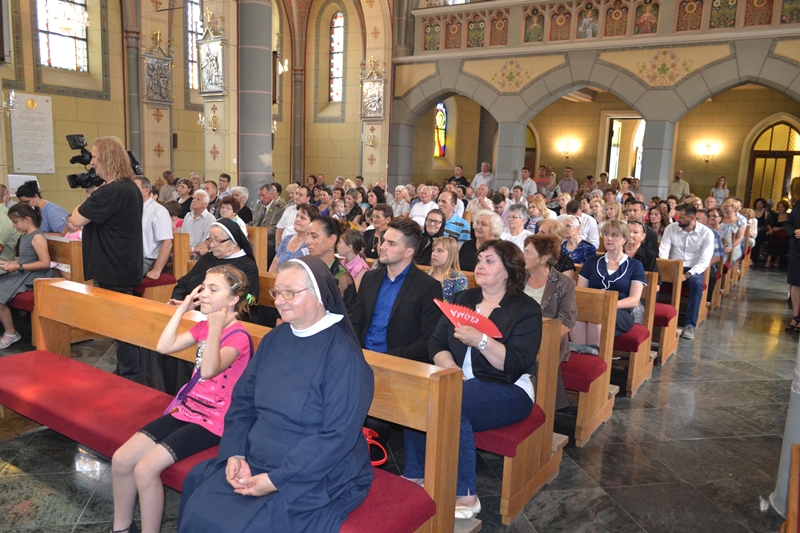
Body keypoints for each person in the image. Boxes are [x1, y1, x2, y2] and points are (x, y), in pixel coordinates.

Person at [178, 256, 374, 533]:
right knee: (199, 494)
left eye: (290, 293)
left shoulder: (343, 356)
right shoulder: (275, 339)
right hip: (256, 454)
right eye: (277, 292)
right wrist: (235, 453)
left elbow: (338, 435)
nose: (279, 301)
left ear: (319, 296)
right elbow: (243, 403)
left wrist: (277, 480)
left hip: (315, 469)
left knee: (242, 524)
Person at [404, 240, 540, 519]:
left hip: (508, 387)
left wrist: (481, 340)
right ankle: (416, 473)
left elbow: (516, 363)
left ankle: (466, 493)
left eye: (490, 261)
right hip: (459, 378)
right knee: (419, 394)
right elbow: (436, 342)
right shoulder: (463, 299)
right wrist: (452, 370)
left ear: (508, 271)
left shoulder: (525, 308)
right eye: (479, 259)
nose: (480, 265)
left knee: (456, 403)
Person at [111, 266, 253, 533]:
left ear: (233, 299)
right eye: (203, 287)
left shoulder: (238, 337)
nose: (204, 293)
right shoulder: (204, 326)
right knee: (121, 459)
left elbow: (209, 370)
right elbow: (164, 346)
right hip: (188, 409)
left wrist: (215, 328)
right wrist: (183, 309)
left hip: (215, 421)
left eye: (213, 289)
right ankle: (121, 529)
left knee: (145, 469)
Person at [69, 136, 143, 379]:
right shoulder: (128, 186)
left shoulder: (112, 191)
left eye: (95, 157)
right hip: (121, 263)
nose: (91, 162)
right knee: (121, 324)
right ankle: (127, 370)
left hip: (113, 265)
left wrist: (90, 197)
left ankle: (130, 374)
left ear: (108, 159)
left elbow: (76, 219)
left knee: (123, 326)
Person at [352, 216, 442, 364]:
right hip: (362, 357)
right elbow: (356, 322)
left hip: (400, 363)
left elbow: (427, 338)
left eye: (391, 243)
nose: (382, 247)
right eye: (384, 241)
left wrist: (387, 359)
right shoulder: (369, 279)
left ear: (408, 252)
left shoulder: (428, 287)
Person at [523, 233, 577, 410]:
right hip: (519, 334)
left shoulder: (564, 283)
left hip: (550, 339)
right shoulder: (518, 278)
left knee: (532, 355)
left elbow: (566, 322)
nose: (524, 256)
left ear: (544, 258)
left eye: (528, 252)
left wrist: (539, 339)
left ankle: (535, 406)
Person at [0, 204, 55, 349]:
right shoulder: (25, 235)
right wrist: (9, 263)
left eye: (15, 222)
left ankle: (11, 333)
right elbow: (24, 259)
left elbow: (45, 263)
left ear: (27, 219)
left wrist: (18, 267)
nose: (14, 225)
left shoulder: (37, 237)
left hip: (35, 276)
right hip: (25, 272)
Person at [172, 219, 261, 307]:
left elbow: (248, 300)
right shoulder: (208, 257)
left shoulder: (248, 267)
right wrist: (177, 301)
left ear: (234, 242)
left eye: (217, 241)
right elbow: (184, 283)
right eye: (210, 240)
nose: (212, 245)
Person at [579, 220, 646, 336]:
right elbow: (581, 291)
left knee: (596, 316)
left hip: (619, 311)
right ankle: (583, 348)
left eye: (614, 235)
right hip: (592, 307)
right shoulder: (592, 261)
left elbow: (634, 300)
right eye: (606, 234)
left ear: (624, 239)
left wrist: (607, 305)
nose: (609, 238)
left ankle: (594, 347)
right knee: (576, 317)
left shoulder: (635, 265)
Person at [658, 204, 715, 340]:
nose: (678, 220)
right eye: (677, 216)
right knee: (656, 280)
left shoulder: (706, 233)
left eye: (682, 218)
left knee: (696, 284)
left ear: (692, 218)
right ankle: (655, 317)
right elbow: (664, 249)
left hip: (694, 268)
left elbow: (704, 261)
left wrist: (686, 275)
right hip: (673, 264)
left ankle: (690, 324)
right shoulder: (671, 228)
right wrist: (666, 267)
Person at [305, 217, 356, 314]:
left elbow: (342, 317)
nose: (307, 241)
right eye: (307, 236)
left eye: (314, 237)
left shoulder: (341, 278)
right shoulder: (305, 268)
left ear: (331, 240)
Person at [134, 177, 173, 281]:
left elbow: (167, 242)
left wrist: (157, 269)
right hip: (130, 257)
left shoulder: (158, 211)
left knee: (121, 276)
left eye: (134, 188)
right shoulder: (132, 208)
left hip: (148, 260)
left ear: (146, 191)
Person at [268, 203, 320, 272]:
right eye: (297, 216)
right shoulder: (287, 239)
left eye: (303, 218)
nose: (297, 219)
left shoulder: (311, 243)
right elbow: (274, 266)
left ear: (312, 223)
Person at [250, 184, 286, 266]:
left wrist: (260, 233)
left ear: (271, 194)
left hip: (269, 242)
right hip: (256, 240)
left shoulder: (279, 208)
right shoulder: (259, 206)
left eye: (263, 196)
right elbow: (254, 222)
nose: (261, 198)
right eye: (259, 196)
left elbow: (277, 228)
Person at [428, 236, 468, 303]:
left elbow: (461, 304)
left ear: (451, 255)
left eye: (440, 251)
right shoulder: (426, 275)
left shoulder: (458, 278)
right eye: (433, 250)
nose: (434, 254)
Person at [784, 178, 800, 331]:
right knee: (795, 283)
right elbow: (788, 223)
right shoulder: (797, 205)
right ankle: (796, 316)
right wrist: (794, 231)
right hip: (797, 247)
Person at [182, 191, 216, 255]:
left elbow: (207, 241)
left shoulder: (210, 219)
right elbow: (182, 235)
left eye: (198, 199)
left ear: (205, 205)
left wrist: (193, 249)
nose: (194, 201)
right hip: (184, 252)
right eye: (194, 198)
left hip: (199, 255)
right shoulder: (188, 215)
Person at [766, 200, 790, 268]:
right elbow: (769, 224)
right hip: (774, 232)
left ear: (785, 208)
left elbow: (789, 226)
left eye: (782, 207)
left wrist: (780, 228)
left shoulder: (789, 216)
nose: (780, 209)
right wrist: (770, 228)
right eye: (779, 207)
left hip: (784, 233)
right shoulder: (775, 215)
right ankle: (769, 258)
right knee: (772, 239)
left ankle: (778, 258)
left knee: (782, 241)